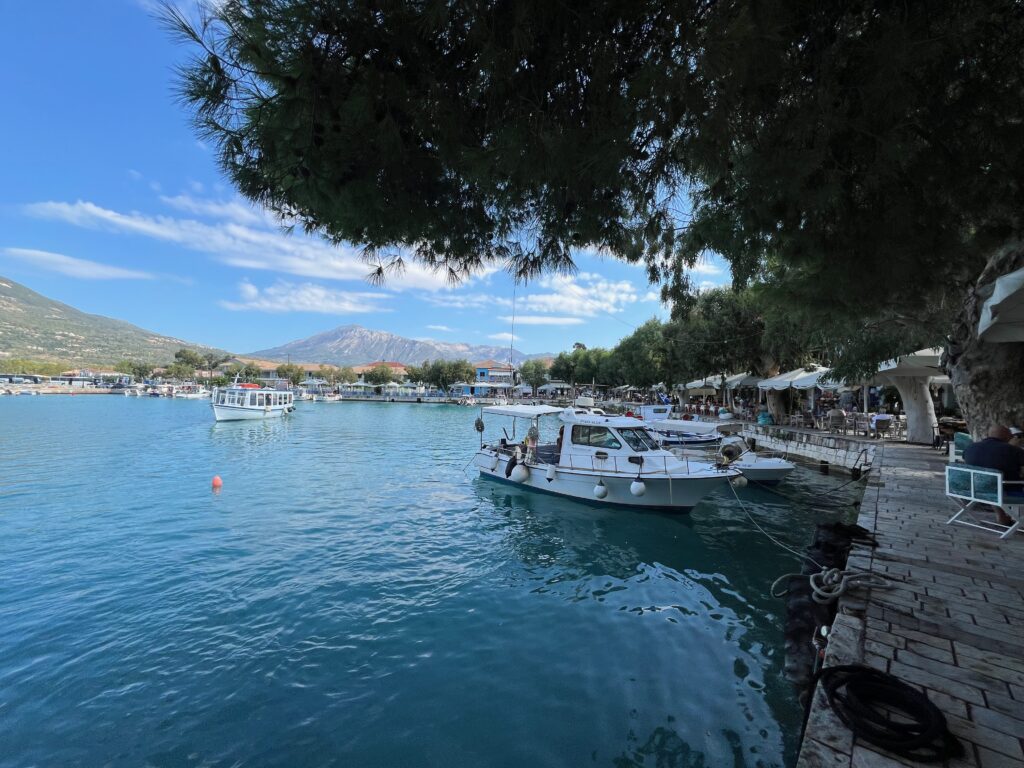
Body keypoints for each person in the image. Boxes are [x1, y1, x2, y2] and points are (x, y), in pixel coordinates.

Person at [963, 425, 1024, 526]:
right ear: (1008, 437)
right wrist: (1014, 448)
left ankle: (1001, 515)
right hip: (1006, 492)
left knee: (991, 482)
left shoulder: (971, 447)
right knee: (997, 484)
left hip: (975, 488)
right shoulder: (1013, 450)